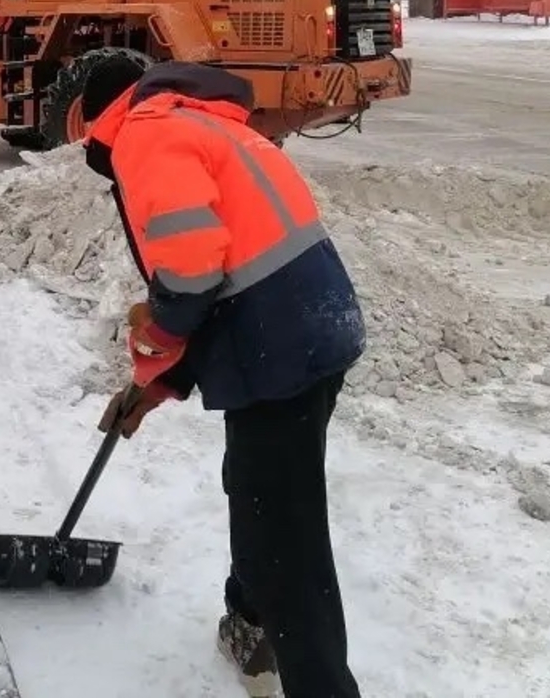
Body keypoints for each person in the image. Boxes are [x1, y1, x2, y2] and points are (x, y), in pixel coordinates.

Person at [80, 59, 365, 698]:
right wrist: (156, 385)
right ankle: (250, 623)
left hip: (279, 345)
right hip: (314, 325)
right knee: (261, 490)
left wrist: (153, 340)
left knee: (286, 542)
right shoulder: (206, 124)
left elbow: (190, 271)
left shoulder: (146, 132)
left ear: (95, 115)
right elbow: (227, 272)